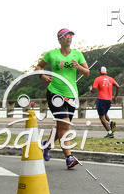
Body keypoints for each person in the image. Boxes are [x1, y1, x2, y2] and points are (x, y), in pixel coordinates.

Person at [36, 28, 89, 169]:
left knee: (61, 126)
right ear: (59, 39)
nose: (69, 38)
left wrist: (78, 66)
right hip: (55, 92)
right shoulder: (51, 54)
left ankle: (46, 146)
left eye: (71, 35)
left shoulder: (78, 55)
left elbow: (87, 72)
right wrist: (42, 75)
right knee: (65, 125)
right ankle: (69, 158)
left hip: (71, 94)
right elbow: (39, 66)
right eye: (66, 36)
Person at [92, 66, 119, 138]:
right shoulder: (111, 79)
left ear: (99, 72)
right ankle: (111, 122)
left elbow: (93, 90)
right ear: (106, 72)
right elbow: (118, 86)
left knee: (102, 118)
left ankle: (110, 133)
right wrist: (115, 96)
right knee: (104, 113)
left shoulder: (97, 79)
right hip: (108, 100)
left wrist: (90, 89)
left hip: (101, 100)